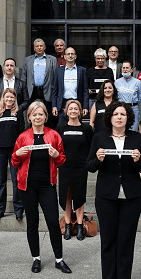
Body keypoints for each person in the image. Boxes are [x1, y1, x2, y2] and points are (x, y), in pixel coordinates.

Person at [87, 101, 141, 279]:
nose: (119, 117)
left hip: (131, 197)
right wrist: (98, 159)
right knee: (109, 241)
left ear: (128, 117)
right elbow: (90, 167)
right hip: (106, 198)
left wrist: (138, 160)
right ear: (110, 117)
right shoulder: (99, 138)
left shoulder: (138, 138)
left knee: (126, 242)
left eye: (123, 114)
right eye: (116, 114)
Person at [11, 101, 70, 274]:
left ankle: (59, 260)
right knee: (32, 222)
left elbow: (62, 161)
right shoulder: (23, 137)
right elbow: (14, 163)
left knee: (52, 222)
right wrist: (17, 154)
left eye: (40, 114)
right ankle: (36, 258)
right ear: (29, 117)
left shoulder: (53, 135)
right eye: (34, 114)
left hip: (47, 185)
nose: (37, 117)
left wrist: (57, 155)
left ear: (46, 116)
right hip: (27, 186)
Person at [0, 58, 29, 185]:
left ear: (15, 67)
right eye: (7, 65)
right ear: (4, 67)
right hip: (0, 119)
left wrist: (16, 109)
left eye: (12, 65)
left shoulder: (21, 83)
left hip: (16, 119)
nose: (9, 67)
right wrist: (1, 109)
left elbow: (26, 100)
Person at [56, 100, 93, 240]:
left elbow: (91, 148)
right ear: (66, 111)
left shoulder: (86, 128)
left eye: (75, 108)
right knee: (66, 196)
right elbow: (57, 146)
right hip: (65, 167)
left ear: (80, 111)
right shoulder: (60, 127)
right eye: (70, 108)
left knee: (79, 196)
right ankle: (67, 226)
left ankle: (78, 226)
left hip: (80, 167)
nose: (73, 111)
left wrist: (87, 163)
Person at [0, 88, 25, 221]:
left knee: (16, 181)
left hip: (14, 151)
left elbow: (22, 131)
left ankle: (18, 210)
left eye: (12, 98)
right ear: (3, 99)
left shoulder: (18, 113)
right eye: (7, 97)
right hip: (0, 150)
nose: (9, 100)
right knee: (1, 182)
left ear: (15, 99)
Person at [21, 38, 58, 128]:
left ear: (44, 47)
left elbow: (56, 76)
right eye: (37, 46)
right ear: (34, 48)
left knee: (47, 116)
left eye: (41, 46)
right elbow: (23, 77)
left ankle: (47, 138)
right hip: (32, 91)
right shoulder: (28, 60)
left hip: (48, 90)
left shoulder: (52, 59)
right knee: (33, 114)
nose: (39, 48)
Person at [51, 47, 89, 123]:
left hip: (77, 103)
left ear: (75, 56)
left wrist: (85, 107)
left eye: (72, 54)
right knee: (62, 127)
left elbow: (85, 90)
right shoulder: (59, 71)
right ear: (65, 56)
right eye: (68, 54)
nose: (70, 56)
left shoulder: (82, 70)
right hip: (62, 104)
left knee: (77, 126)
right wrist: (54, 106)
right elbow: (55, 89)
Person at [115, 61, 141, 132]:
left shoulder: (137, 82)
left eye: (127, 68)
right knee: (121, 130)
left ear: (132, 70)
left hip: (133, 109)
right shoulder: (117, 82)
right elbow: (115, 96)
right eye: (123, 68)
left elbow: (140, 97)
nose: (125, 70)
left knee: (133, 130)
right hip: (121, 108)